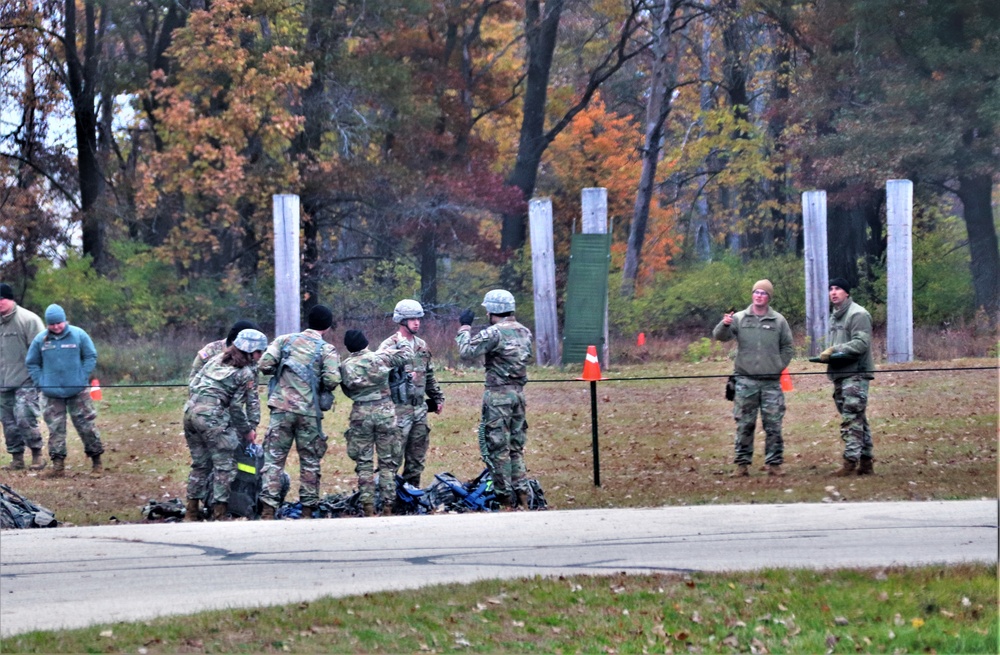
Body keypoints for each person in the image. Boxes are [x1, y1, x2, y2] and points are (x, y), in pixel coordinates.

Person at [257, 305, 341, 519]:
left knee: (273, 461)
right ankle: (307, 511)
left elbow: (265, 364)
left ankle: (268, 510)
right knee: (310, 461)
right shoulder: (326, 349)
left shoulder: (283, 341)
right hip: (309, 413)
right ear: (328, 326)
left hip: (281, 409)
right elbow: (332, 380)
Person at [455, 289, 534, 509]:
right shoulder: (525, 332)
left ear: (494, 311)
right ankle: (524, 498)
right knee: (515, 449)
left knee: (498, 450)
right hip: (518, 395)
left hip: (498, 396)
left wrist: (464, 327)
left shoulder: (494, 333)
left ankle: (505, 500)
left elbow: (466, 351)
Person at [183, 329, 268, 521]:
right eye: (259, 352)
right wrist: (247, 430)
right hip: (211, 417)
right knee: (224, 466)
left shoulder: (215, 360)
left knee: (200, 465)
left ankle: (191, 512)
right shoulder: (244, 373)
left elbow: (193, 385)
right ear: (251, 351)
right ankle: (219, 514)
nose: (261, 356)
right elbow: (237, 408)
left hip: (189, 413)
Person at [712, 279, 794, 477]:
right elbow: (719, 336)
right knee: (744, 424)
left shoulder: (778, 321)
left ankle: (774, 464)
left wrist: (777, 366)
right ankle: (742, 464)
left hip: (771, 384)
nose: (759, 296)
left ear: (769, 297)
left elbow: (788, 347)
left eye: (763, 293)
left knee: (773, 425)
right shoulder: (740, 318)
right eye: (756, 292)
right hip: (745, 381)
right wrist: (724, 324)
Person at [25, 304, 103, 478]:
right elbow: (32, 363)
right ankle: (58, 465)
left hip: (78, 391)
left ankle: (96, 461)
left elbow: (90, 356)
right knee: (55, 429)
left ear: (65, 320)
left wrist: (82, 375)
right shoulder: (40, 340)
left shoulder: (79, 335)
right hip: (51, 394)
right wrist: (41, 382)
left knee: (86, 426)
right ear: (47, 324)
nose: (56, 327)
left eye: (59, 323)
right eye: (52, 324)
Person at [340, 329, 412, 516]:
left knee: (364, 463)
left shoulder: (345, 366)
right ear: (365, 343)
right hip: (384, 412)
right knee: (387, 462)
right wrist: (401, 340)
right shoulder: (381, 358)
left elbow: (346, 389)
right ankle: (388, 506)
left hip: (360, 413)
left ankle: (368, 507)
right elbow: (407, 355)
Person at [379, 299, 445, 489]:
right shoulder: (388, 346)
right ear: (402, 320)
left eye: (419, 318)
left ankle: (411, 499)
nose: (417, 322)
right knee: (392, 458)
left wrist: (437, 398)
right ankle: (387, 500)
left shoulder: (422, 345)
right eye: (412, 319)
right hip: (397, 410)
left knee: (416, 460)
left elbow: (429, 374)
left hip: (419, 409)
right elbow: (378, 376)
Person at [819, 278, 876, 476]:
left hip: (856, 373)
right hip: (840, 374)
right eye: (831, 289)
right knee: (858, 418)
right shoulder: (835, 317)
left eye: (839, 289)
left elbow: (861, 344)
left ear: (847, 293)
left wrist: (834, 349)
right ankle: (866, 461)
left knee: (851, 418)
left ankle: (850, 463)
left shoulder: (858, 314)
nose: (834, 292)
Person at [0, 283, 47, 471]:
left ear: (11, 299)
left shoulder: (29, 320)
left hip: (26, 380)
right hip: (3, 383)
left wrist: (40, 379)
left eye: (2, 299)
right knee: (8, 422)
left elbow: (41, 351)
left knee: (24, 417)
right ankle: (16, 458)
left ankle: (37, 455)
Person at [189, 319, 262, 433]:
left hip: (235, 407)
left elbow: (251, 392)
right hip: (209, 407)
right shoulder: (211, 350)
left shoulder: (252, 355)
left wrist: (251, 426)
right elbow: (194, 380)